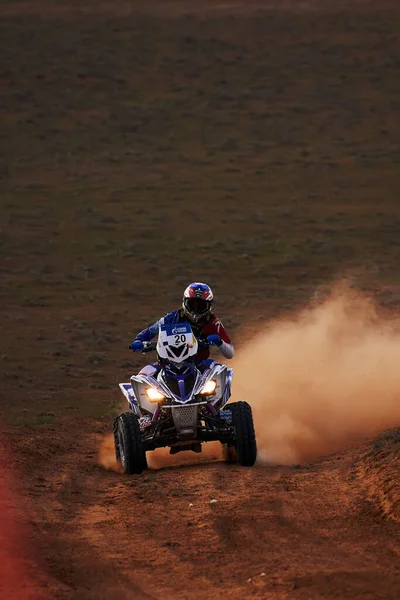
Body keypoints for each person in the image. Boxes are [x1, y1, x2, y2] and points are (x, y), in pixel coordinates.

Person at [129, 282, 234, 376]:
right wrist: (139, 340)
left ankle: (217, 398)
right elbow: (151, 331)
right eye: (192, 304)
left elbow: (230, 354)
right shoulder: (171, 317)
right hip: (168, 365)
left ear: (208, 306)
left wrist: (220, 342)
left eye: (200, 306)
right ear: (185, 302)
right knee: (142, 375)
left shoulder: (213, 322)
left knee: (219, 370)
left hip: (198, 364)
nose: (195, 310)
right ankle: (136, 398)